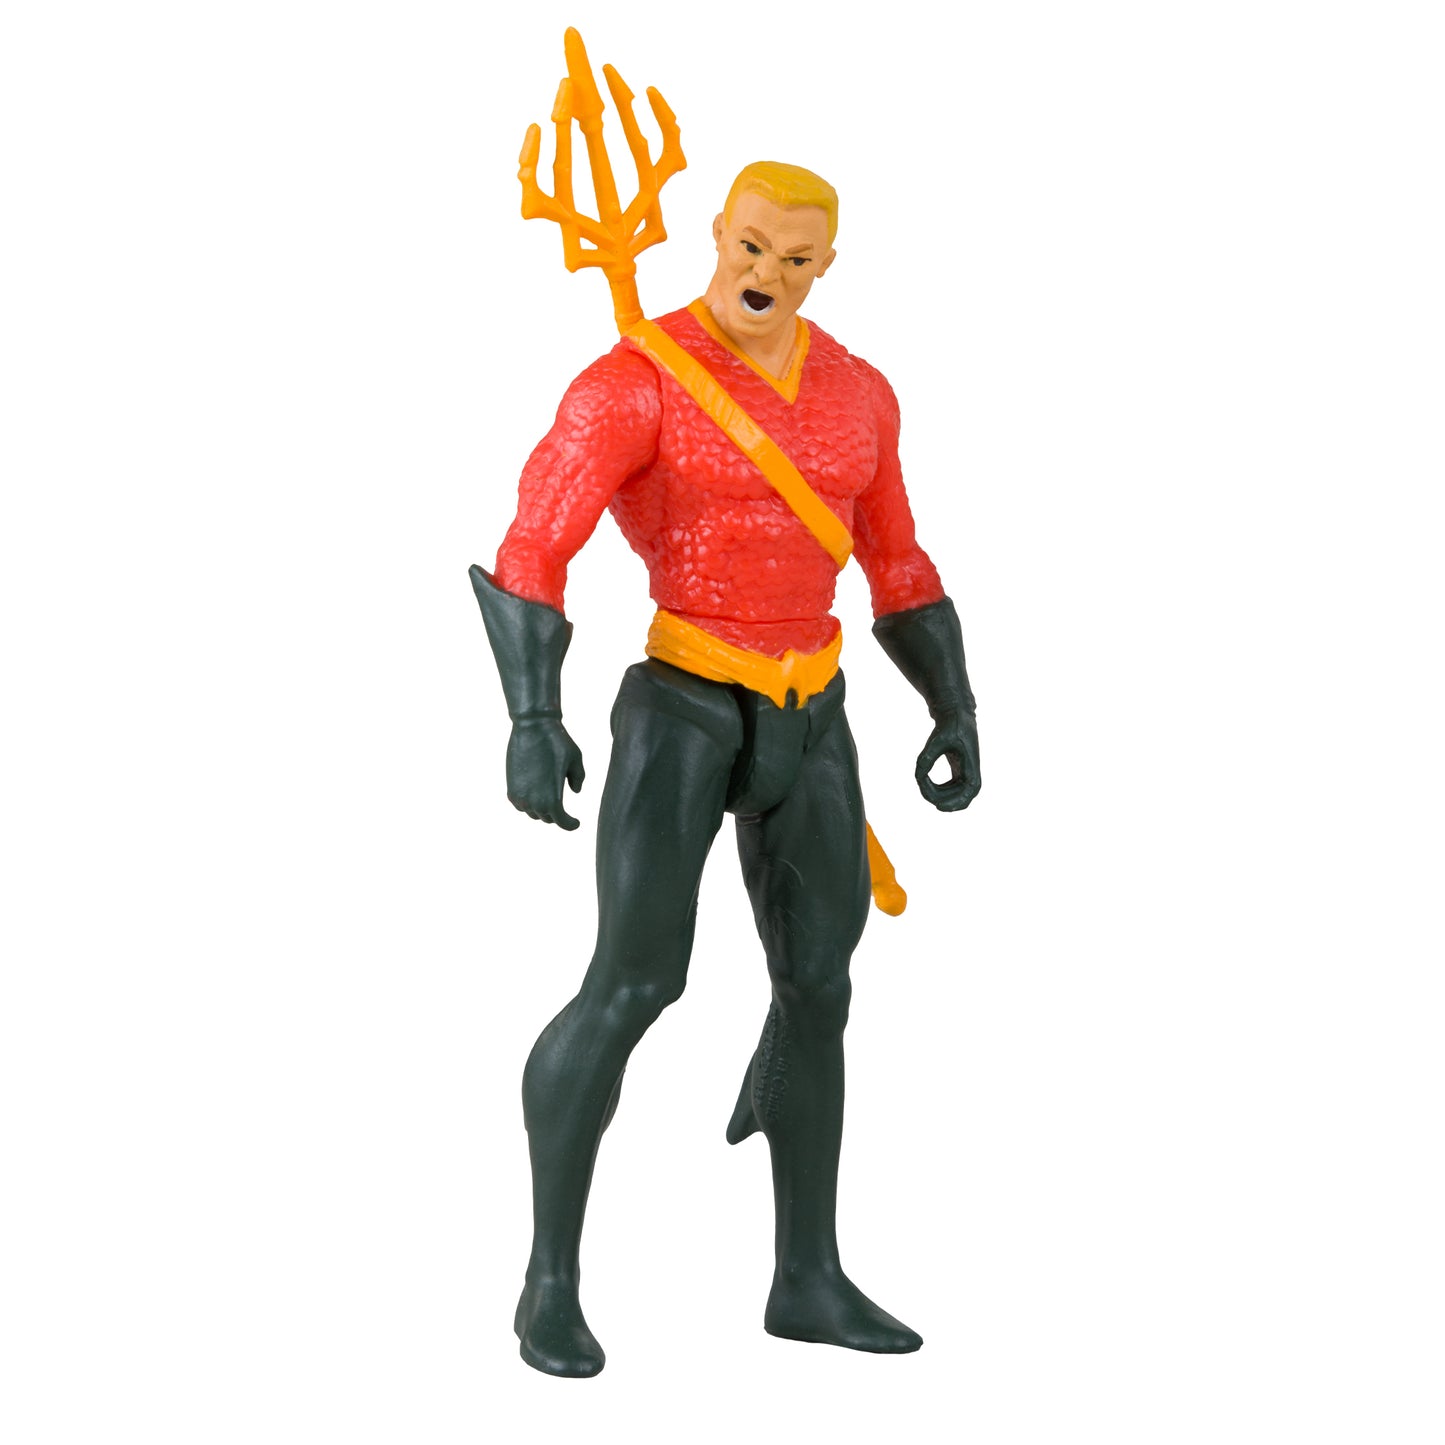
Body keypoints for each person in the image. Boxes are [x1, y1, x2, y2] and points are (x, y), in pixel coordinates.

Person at [471, 161, 981, 1377]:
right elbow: (534, 540)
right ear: (716, 234)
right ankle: (547, 1281)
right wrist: (532, 712)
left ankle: (805, 1275)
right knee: (633, 982)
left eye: (794, 259)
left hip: (812, 705)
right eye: (750, 246)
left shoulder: (857, 393)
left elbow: (894, 558)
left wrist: (952, 698)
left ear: (824, 266)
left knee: (819, 987)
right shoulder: (634, 380)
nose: (766, 273)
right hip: (685, 704)